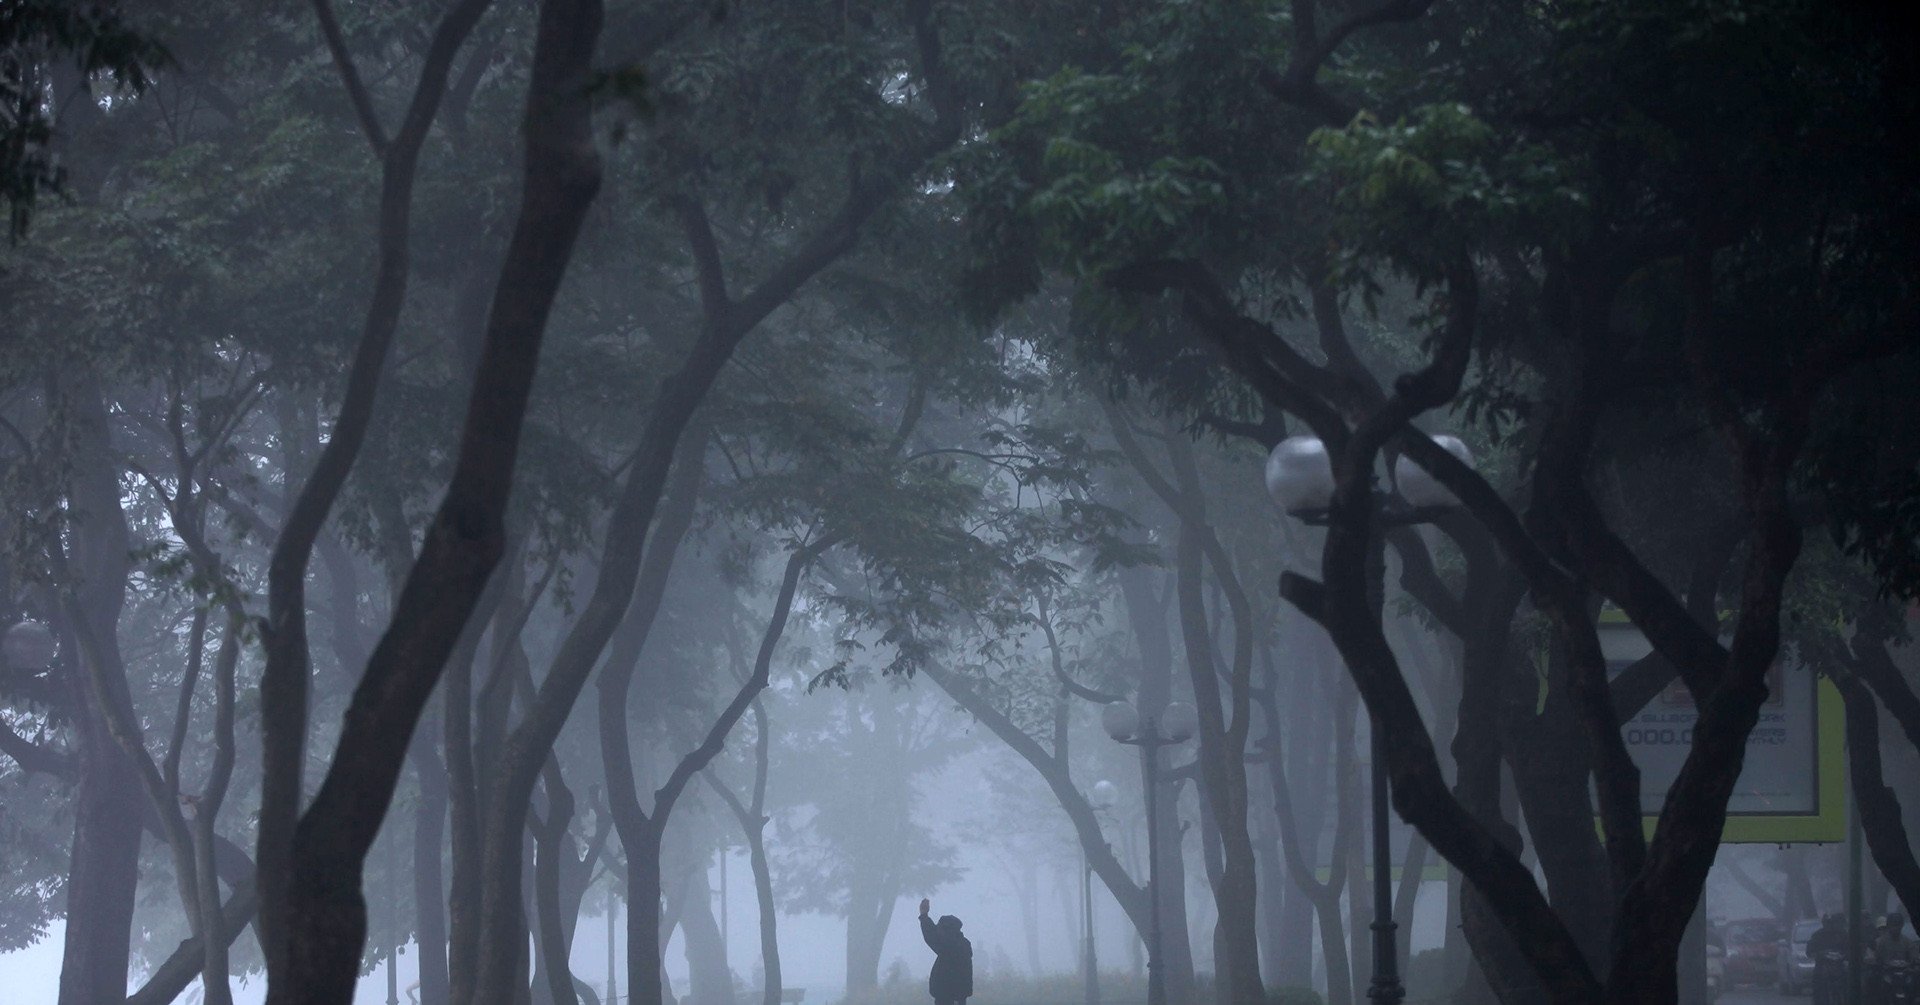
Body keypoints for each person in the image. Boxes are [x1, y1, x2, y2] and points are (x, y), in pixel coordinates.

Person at [919, 897, 973, 1005]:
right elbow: (934, 935)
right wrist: (924, 917)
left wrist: (924, 916)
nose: (938, 930)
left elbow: (932, 936)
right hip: (957, 996)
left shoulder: (951, 946)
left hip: (947, 996)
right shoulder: (961, 943)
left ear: (947, 930)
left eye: (940, 928)